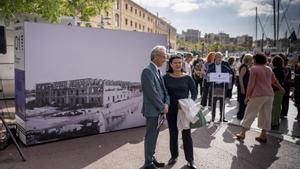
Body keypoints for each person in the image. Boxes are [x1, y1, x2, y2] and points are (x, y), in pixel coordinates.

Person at [235, 53, 284, 143]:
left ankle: (242, 133)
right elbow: (274, 80)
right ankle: (263, 135)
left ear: (256, 60)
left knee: (250, 113)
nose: (252, 61)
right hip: (269, 94)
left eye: (253, 60)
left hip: (258, 95)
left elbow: (251, 84)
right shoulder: (269, 69)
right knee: (266, 114)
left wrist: (247, 96)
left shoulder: (254, 69)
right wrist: (280, 88)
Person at [163, 55, 197, 169]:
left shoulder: (188, 78)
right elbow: (163, 94)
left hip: (184, 111)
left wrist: (188, 104)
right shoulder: (165, 78)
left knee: (187, 135)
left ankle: (190, 160)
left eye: (179, 62)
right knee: (173, 134)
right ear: (170, 64)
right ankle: (174, 156)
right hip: (171, 110)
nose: (178, 65)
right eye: (175, 63)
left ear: (182, 64)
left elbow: (194, 93)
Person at [141, 45, 170, 169]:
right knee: (150, 137)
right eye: (164, 56)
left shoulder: (157, 70)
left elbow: (164, 91)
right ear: (156, 56)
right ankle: (148, 163)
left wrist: (167, 103)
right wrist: (162, 107)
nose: (165, 59)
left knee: (154, 137)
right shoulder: (147, 71)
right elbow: (151, 93)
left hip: (159, 110)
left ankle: (151, 158)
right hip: (153, 111)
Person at [207, 52, 231, 122]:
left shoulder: (225, 64)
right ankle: (213, 117)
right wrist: (209, 76)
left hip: (222, 85)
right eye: (218, 57)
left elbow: (230, 72)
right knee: (213, 102)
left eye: (220, 57)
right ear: (215, 58)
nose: (219, 59)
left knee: (222, 102)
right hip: (214, 85)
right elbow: (208, 74)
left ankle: (222, 117)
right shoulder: (211, 65)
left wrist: (229, 75)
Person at [271, 56, 285, 129]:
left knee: (274, 107)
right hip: (280, 90)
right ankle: (276, 122)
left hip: (275, 90)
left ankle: (273, 122)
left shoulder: (274, 70)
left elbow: (273, 82)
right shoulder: (282, 70)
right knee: (278, 106)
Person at [236, 54, 252, 120]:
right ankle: (240, 116)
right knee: (242, 102)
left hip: (245, 86)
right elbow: (240, 77)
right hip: (243, 86)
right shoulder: (244, 67)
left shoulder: (245, 66)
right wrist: (242, 88)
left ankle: (241, 115)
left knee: (243, 102)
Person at [279, 54, 291, 118]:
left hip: (284, 85)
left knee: (283, 99)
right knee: (285, 100)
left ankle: (282, 113)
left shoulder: (285, 68)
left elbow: (286, 77)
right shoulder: (287, 68)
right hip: (285, 85)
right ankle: (283, 113)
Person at [294, 55, 300, 122]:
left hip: (297, 86)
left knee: (298, 102)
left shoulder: (297, 65)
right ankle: (298, 114)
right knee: (297, 102)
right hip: (297, 86)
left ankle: (298, 115)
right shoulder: (296, 65)